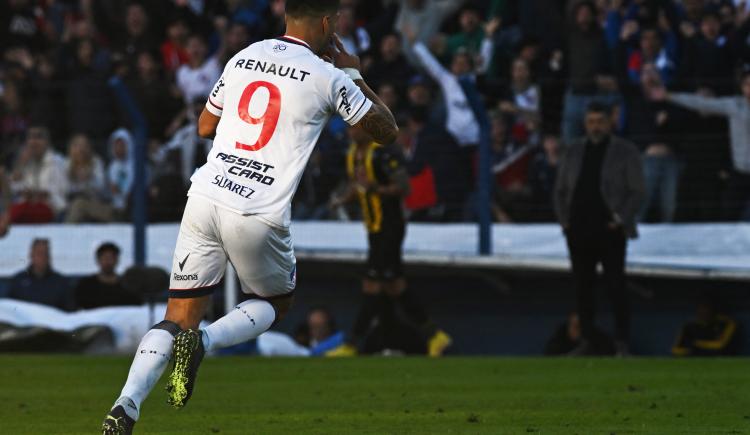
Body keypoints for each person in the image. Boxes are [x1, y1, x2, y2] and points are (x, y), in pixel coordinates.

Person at [101, 1, 399, 433]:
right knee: (274, 303)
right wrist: (353, 72)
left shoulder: (245, 56)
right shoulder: (330, 77)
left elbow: (205, 126)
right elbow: (386, 131)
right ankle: (203, 342)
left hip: (205, 195)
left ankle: (125, 404)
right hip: (258, 210)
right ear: (326, 23)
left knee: (176, 314)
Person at [330, 127, 451, 357]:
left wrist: (376, 188)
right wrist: (342, 199)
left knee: (372, 284)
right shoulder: (353, 153)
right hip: (373, 227)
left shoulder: (383, 153)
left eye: (355, 126)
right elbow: (358, 188)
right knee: (394, 286)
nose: (350, 131)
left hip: (391, 226)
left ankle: (352, 345)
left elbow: (404, 188)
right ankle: (435, 336)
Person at [554, 102, 645, 356]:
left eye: (600, 121)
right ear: (585, 123)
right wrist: (565, 221)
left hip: (610, 229)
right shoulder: (573, 151)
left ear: (609, 123)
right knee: (583, 288)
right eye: (591, 121)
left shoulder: (625, 151)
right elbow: (560, 191)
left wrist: (620, 218)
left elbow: (637, 191)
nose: (595, 126)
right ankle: (587, 341)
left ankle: (621, 343)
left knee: (616, 285)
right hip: (579, 228)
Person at [650, 72, 750, 220]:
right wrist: (669, 96)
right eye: (747, 84)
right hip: (740, 172)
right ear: (742, 87)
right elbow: (701, 103)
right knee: (729, 214)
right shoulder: (735, 105)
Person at [9, 126, 68, 222]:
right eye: (31, 137)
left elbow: (62, 189)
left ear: (47, 142)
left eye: (38, 137)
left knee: (17, 212)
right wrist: (19, 167)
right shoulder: (25, 162)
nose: (34, 141)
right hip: (27, 205)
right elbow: (14, 189)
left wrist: (37, 194)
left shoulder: (57, 161)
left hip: (52, 207)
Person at [7, 239, 72, 311]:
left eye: (45, 253)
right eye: (39, 253)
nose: (42, 257)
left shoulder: (61, 282)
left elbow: (69, 310)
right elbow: (11, 309)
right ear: (31, 255)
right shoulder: (18, 281)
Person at [74, 243, 141, 310]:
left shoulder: (129, 286)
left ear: (117, 260)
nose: (108, 262)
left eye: (112, 258)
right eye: (105, 258)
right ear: (98, 260)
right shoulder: (86, 285)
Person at [672, 294, 739, 357]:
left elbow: (722, 347)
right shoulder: (689, 326)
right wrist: (690, 351)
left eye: (706, 307)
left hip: (719, 360)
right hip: (693, 361)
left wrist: (698, 345)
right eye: (700, 307)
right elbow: (676, 350)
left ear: (713, 308)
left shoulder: (725, 323)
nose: (703, 310)